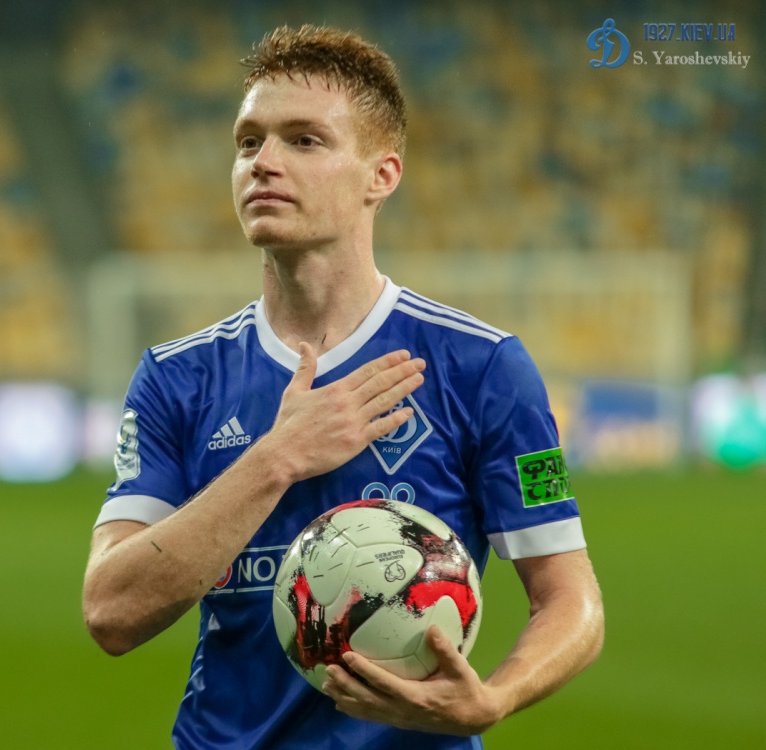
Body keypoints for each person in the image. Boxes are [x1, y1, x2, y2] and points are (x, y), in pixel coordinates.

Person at [83, 24, 604, 750]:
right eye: (248, 142)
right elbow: (111, 613)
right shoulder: (177, 376)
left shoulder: (482, 366)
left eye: (304, 140)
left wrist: (496, 697)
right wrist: (278, 458)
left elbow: (571, 600)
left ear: (380, 176)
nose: (263, 162)